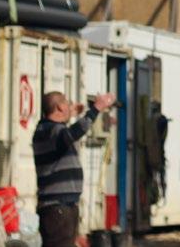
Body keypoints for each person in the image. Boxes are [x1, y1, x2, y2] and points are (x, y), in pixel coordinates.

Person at [32, 91, 116, 247]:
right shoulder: (48, 131)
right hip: (57, 208)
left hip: (65, 207)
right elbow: (74, 132)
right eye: (66, 103)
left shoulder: (55, 131)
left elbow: (68, 133)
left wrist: (72, 113)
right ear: (59, 107)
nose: (70, 106)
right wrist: (97, 107)